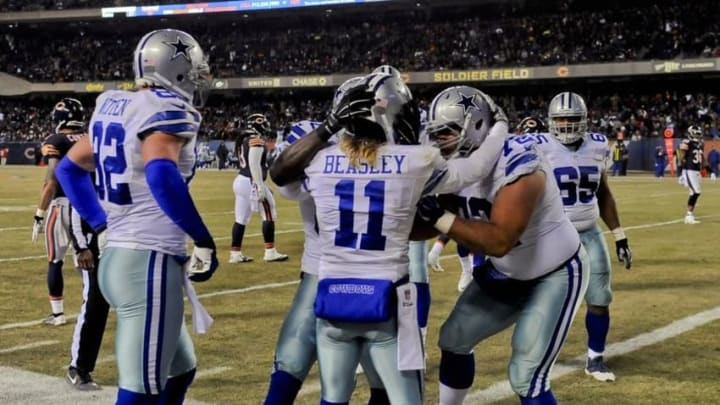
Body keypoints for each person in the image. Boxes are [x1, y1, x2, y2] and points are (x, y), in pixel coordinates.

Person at [270, 75, 509, 404]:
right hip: (386, 306)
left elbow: (280, 173)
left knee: (333, 398)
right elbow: (475, 168)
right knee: (405, 398)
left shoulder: (319, 162)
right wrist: (499, 124)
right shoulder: (415, 161)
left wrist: (329, 126)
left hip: (333, 302)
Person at [55, 28, 218, 404]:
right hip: (148, 264)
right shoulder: (169, 110)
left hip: (118, 259)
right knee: (140, 392)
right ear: (175, 70)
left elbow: (69, 169)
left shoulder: (114, 103)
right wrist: (204, 239)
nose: (199, 79)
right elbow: (161, 174)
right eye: (194, 72)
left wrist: (100, 223)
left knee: (182, 369)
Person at [416, 85, 590, 405]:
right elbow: (422, 227)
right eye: (437, 132)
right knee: (453, 339)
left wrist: (438, 216)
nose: (441, 139)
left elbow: (499, 241)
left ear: (479, 125)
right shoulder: (452, 165)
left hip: (554, 272)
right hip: (505, 273)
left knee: (526, 374)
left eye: (450, 130)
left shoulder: (519, 160)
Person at [263, 119, 390, 405]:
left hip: (324, 272)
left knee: (293, 366)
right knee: (384, 381)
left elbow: (284, 183)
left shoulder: (314, 143)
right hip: (374, 276)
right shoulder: (398, 150)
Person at [526, 91, 632, 383]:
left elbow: (604, 194)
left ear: (584, 120)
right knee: (544, 301)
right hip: (550, 234)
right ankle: (536, 358)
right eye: (560, 118)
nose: (566, 124)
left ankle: (595, 359)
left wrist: (620, 235)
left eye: (572, 119)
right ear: (550, 120)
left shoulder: (598, 146)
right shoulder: (536, 145)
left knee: (599, 297)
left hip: (588, 231)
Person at [33, 98, 87, 326]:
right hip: (88, 206)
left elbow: (51, 181)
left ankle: (58, 314)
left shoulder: (56, 139)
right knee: (86, 259)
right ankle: (91, 307)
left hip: (63, 205)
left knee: (55, 260)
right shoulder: (90, 137)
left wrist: (39, 213)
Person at [229, 113, 288, 263]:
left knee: (240, 218)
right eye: (263, 122)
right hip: (251, 180)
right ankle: (270, 251)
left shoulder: (243, 139)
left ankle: (235, 254)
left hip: (241, 179)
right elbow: (254, 164)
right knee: (269, 213)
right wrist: (260, 185)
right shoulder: (255, 140)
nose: (266, 125)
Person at [66, 206, 110, 390]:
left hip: (120, 246)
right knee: (95, 305)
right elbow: (76, 209)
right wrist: (81, 247)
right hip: (93, 249)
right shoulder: (87, 180)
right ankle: (78, 367)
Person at [678, 125, 705, 224]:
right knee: (696, 192)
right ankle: (688, 216)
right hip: (689, 170)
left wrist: (704, 167)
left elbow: (701, 157)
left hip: (696, 170)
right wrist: (681, 171)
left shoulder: (698, 144)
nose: (698, 135)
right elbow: (681, 156)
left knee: (693, 193)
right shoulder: (686, 142)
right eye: (696, 134)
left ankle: (690, 215)